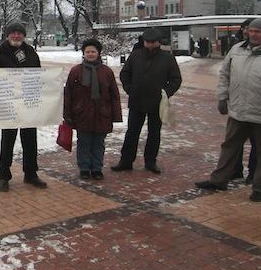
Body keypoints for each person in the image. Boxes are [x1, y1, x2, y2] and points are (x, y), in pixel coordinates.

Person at [195, 17, 261, 202]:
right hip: (238, 111)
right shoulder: (237, 49)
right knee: (229, 147)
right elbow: (225, 75)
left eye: (258, 31)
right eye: (251, 30)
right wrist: (222, 97)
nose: (253, 34)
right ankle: (219, 180)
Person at [0, 21, 48, 191]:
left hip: (27, 103)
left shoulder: (31, 53)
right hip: (8, 105)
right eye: (13, 33)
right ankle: (3, 175)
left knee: (30, 140)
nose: (17, 35)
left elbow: (38, 77)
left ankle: (31, 173)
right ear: (8, 35)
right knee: (8, 141)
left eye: (20, 33)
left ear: (24, 36)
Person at [111, 28, 182, 174]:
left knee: (154, 133)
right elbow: (125, 74)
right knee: (132, 132)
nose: (149, 45)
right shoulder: (136, 55)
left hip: (157, 102)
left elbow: (176, 79)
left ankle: (150, 161)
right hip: (137, 100)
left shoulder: (167, 58)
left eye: (152, 42)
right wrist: (130, 89)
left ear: (158, 42)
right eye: (147, 42)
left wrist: (165, 93)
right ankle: (126, 161)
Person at [63, 39, 122, 180]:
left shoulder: (106, 72)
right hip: (82, 114)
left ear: (98, 53)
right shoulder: (76, 71)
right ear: (83, 53)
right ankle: (84, 168)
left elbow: (114, 94)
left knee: (98, 144)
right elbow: (68, 94)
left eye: (93, 51)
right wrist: (67, 114)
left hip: (102, 114)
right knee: (83, 143)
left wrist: (116, 115)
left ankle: (96, 168)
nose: (90, 54)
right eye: (87, 51)